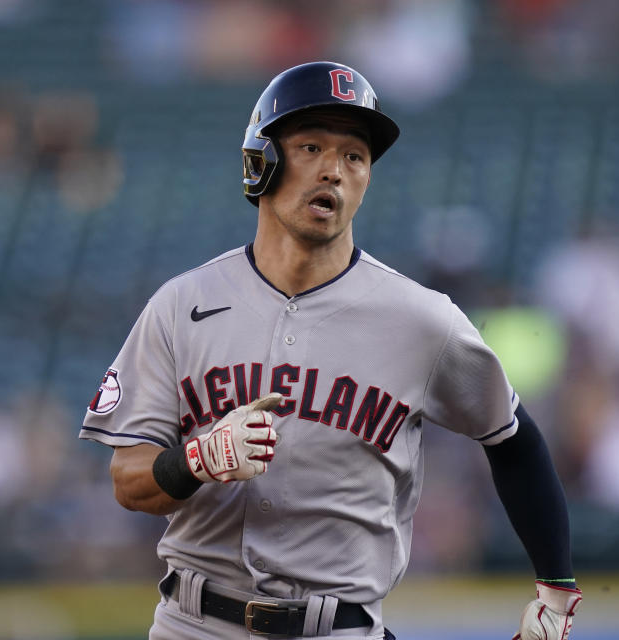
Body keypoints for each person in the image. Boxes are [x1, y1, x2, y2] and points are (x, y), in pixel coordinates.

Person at [79, 61, 581, 640]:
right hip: (193, 623)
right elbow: (128, 480)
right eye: (312, 146)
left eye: (354, 156)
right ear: (260, 161)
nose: (334, 172)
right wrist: (197, 460)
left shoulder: (421, 319)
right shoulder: (181, 305)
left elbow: (512, 439)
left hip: (338, 628)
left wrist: (556, 587)